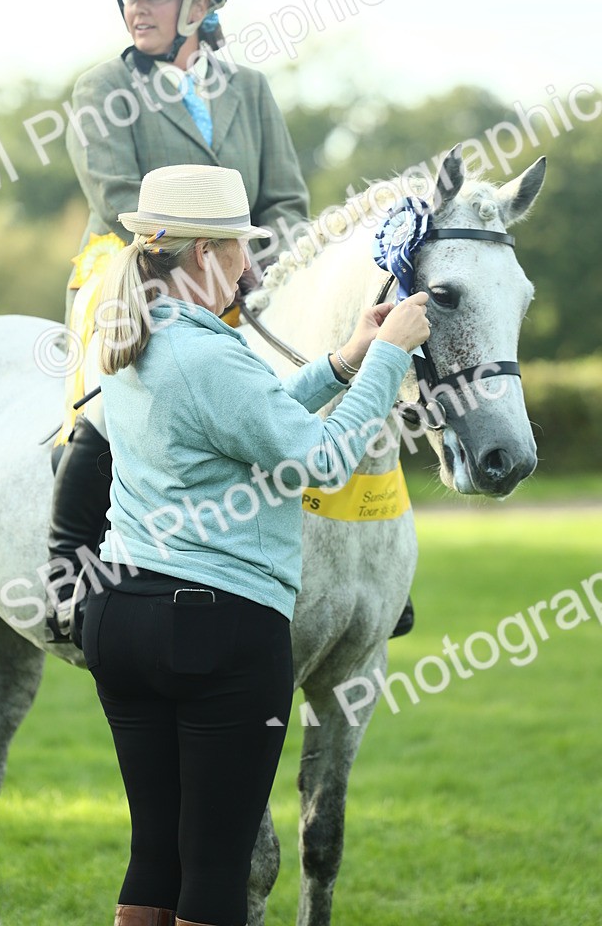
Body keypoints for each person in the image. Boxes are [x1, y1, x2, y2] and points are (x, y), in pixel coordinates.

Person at [79, 164, 430, 926]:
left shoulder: (139, 338)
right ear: (204, 256)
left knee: (156, 858)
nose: (251, 264)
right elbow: (324, 459)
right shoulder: (210, 354)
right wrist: (388, 359)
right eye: (239, 248)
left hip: (124, 612)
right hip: (216, 629)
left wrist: (340, 362)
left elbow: (249, 414)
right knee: (214, 867)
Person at [47, 0, 311, 639]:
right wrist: (208, 261)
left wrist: (258, 261)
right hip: (139, 265)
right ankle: (66, 566)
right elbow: (116, 198)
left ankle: (368, 570)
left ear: (201, 6)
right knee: (106, 396)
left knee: (318, 360)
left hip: (245, 272)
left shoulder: (250, 88)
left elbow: (285, 196)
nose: (137, 7)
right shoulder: (101, 87)